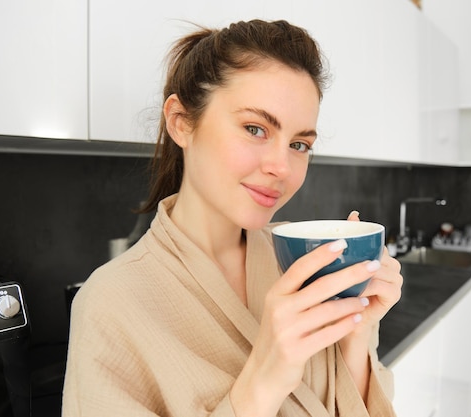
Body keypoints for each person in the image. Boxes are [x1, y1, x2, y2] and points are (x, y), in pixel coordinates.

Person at [62, 19, 402, 417]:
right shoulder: (110, 304)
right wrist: (263, 379)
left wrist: (357, 332)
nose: (281, 167)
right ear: (182, 122)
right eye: (255, 128)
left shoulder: (307, 261)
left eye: (298, 144)